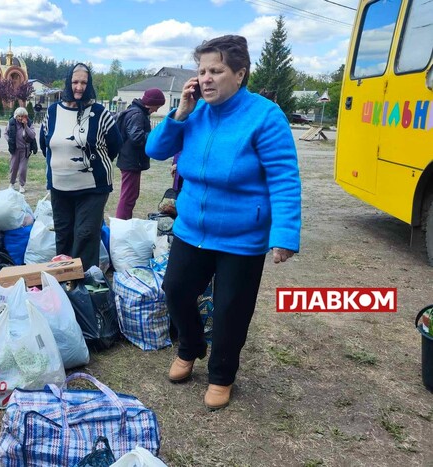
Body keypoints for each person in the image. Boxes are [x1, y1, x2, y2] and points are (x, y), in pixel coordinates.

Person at [146, 35, 301, 410]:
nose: (206, 78)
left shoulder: (264, 116)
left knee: (231, 309)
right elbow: (154, 150)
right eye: (201, 71)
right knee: (176, 289)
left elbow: (284, 177)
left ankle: (221, 375)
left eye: (216, 70)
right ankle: (191, 347)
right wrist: (179, 113)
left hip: (241, 235)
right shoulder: (194, 111)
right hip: (192, 229)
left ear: (240, 74)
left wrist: (284, 233)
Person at [39, 63, 122, 271]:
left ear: (89, 84)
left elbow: (115, 144)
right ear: (68, 83)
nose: (79, 87)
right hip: (59, 187)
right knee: (63, 233)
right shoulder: (53, 112)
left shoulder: (100, 113)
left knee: (85, 234)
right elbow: (44, 143)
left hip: (92, 188)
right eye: (75, 82)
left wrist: (92, 163)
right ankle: (64, 282)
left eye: (84, 82)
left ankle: (83, 286)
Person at [114, 87, 166, 219]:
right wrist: (155, 135)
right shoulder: (137, 114)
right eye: (157, 106)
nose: (157, 110)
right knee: (127, 197)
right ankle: (122, 226)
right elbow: (136, 137)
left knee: (131, 196)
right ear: (151, 103)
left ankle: (124, 224)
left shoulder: (136, 112)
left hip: (131, 161)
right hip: (130, 161)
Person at [6, 107, 37, 193]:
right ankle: (11, 183)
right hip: (15, 149)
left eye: (22, 116)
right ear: (16, 116)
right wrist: (9, 140)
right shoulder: (12, 122)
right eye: (19, 116)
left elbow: (32, 135)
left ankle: (22, 185)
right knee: (13, 167)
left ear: (25, 116)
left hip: (25, 150)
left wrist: (25, 126)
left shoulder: (29, 123)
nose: (20, 118)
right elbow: (6, 133)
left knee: (23, 169)